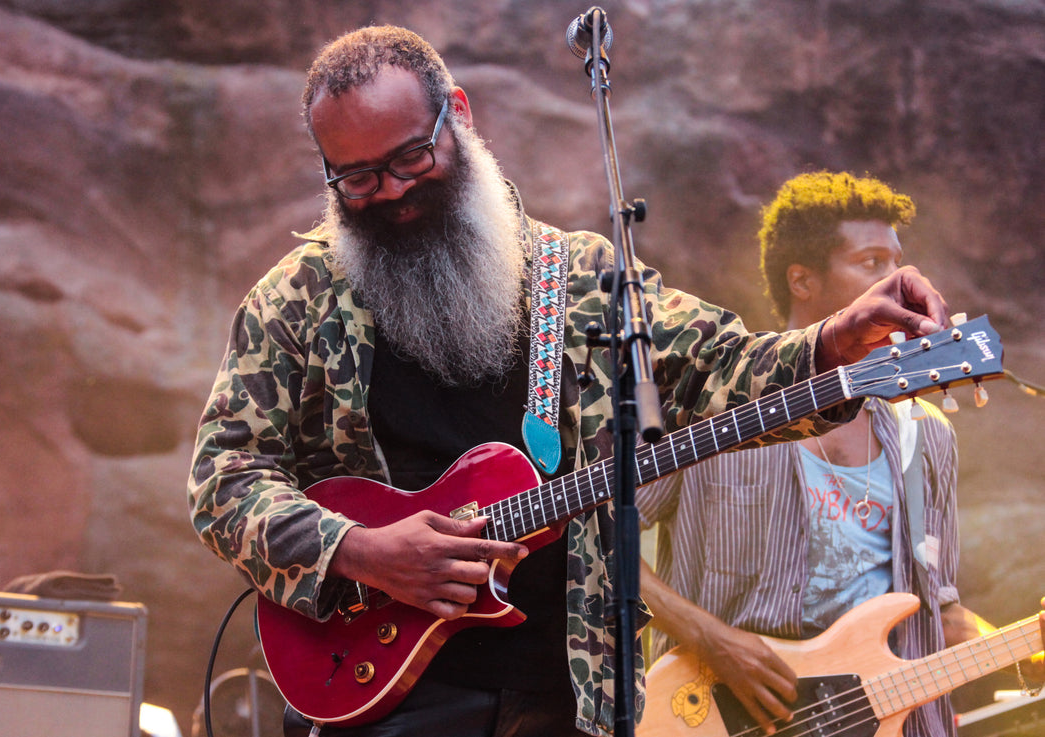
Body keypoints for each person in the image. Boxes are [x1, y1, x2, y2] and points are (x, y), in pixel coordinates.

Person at [187, 28, 949, 737]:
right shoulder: (299, 299)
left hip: (568, 689)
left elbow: (720, 367)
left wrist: (832, 343)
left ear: (458, 113)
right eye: (356, 177)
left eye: (410, 158)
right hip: (379, 692)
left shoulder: (581, 279)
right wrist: (359, 548)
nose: (389, 191)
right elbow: (222, 477)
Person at [638, 171, 1042, 737]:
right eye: (872, 261)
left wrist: (1028, 647)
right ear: (801, 280)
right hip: (720, 715)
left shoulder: (926, 435)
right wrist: (714, 641)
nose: (898, 280)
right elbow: (595, 534)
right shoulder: (715, 406)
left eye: (899, 260)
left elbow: (938, 612)